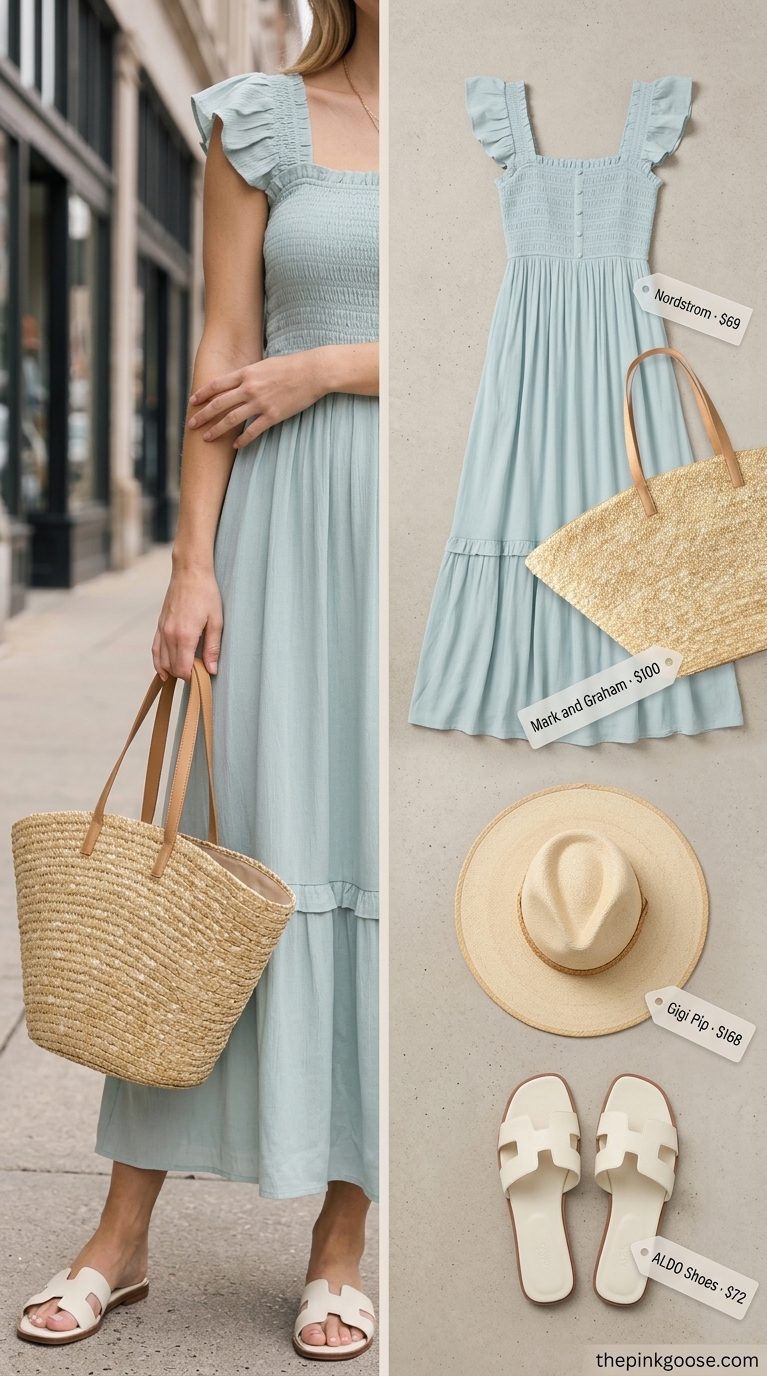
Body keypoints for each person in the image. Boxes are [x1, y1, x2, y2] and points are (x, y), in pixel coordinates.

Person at [19, 0, 379, 1359]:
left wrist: (334, 365)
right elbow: (222, 345)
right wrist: (188, 565)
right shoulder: (259, 120)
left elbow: (511, 344)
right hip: (280, 534)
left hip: (414, 546)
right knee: (214, 865)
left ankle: (341, 1244)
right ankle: (122, 1235)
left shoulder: (498, 131)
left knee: (381, 868)